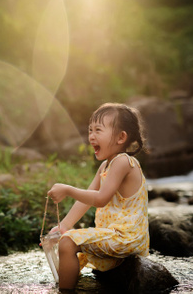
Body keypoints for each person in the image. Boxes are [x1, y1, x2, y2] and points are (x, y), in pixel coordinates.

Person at [47, 102, 149, 290]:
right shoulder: (105, 166)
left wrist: (68, 189)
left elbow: (100, 198)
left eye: (98, 130)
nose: (91, 136)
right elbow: (87, 199)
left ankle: (65, 291)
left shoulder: (123, 162)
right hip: (114, 234)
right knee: (67, 239)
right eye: (90, 130)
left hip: (125, 236)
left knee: (68, 244)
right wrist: (64, 225)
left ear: (121, 137)